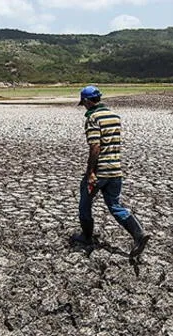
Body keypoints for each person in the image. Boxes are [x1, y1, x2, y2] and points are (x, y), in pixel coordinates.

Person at [71, 85, 150, 259]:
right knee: (115, 205)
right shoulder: (114, 116)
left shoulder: (93, 118)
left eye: (83, 103)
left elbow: (95, 146)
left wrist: (90, 172)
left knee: (85, 205)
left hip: (100, 172)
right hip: (115, 170)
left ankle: (86, 237)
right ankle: (138, 234)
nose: (83, 107)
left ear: (86, 101)